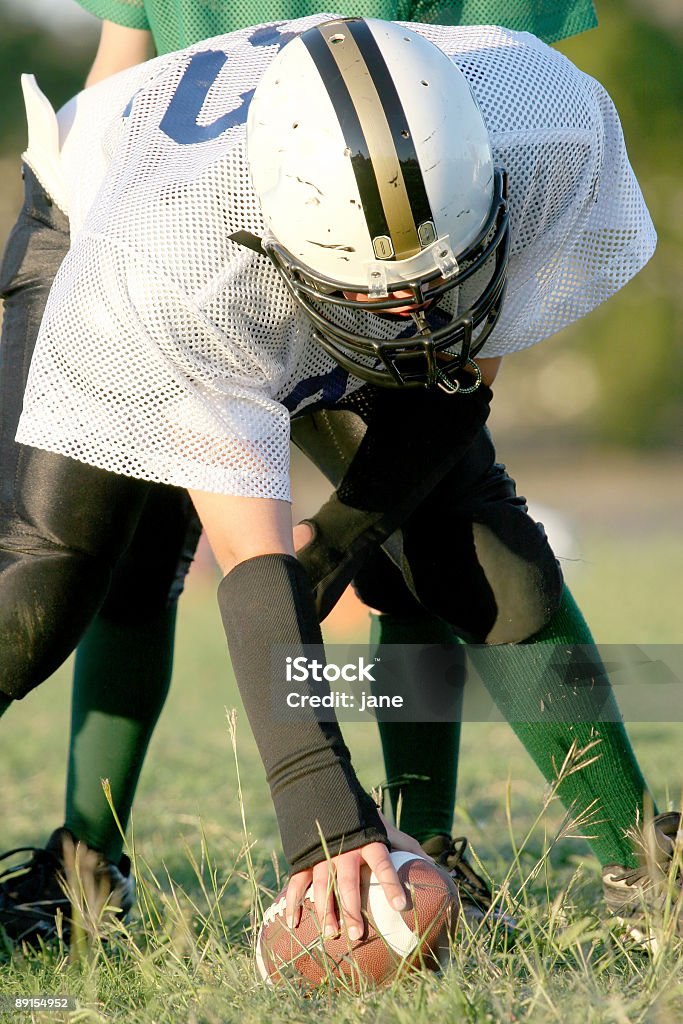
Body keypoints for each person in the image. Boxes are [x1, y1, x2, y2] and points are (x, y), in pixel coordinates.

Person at [2, 13, 675, 952]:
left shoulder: (546, 123)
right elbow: (251, 549)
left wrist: (344, 543)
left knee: (464, 533)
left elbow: (445, 408)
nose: (408, 315)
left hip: (325, 220)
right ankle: (79, 875)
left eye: (435, 281)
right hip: (115, 212)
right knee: (45, 577)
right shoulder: (179, 265)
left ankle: (653, 876)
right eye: (382, 301)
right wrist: (324, 814)